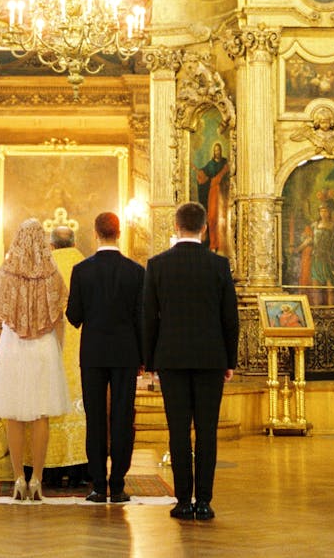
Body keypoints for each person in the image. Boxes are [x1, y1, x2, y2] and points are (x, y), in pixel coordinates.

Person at [143, 201, 238, 522]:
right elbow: (230, 319)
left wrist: (150, 360)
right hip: (212, 358)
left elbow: (148, 319)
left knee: (179, 431)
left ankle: (183, 500)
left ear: (176, 225)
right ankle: (205, 502)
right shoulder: (219, 266)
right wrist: (230, 360)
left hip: (171, 358)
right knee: (207, 431)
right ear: (204, 228)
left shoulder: (157, 265)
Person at [0, 218, 69, 503]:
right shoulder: (53, 275)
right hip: (44, 346)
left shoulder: (5, 274)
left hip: (13, 345)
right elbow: (59, 314)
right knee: (41, 413)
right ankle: (37, 480)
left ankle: (19, 477)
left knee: (14, 412)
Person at [66, 211, 145, 504]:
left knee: (96, 418)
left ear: (95, 233)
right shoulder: (136, 272)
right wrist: (143, 357)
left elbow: (74, 315)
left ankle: (99, 485)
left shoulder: (82, 270)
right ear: (119, 233)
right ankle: (119, 485)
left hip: (94, 353)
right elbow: (142, 318)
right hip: (126, 352)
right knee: (123, 418)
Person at [38, 224, 88, 489]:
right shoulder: (85, 263)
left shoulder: (43, 266)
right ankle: (80, 469)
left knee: (49, 399)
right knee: (79, 402)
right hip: (81, 344)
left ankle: (49, 471)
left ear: (52, 244)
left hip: (49, 342)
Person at [195, 141, 229, 253]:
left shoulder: (225, 163)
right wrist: (199, 173)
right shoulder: (210, 164)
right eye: (215, 150)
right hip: (213, 192)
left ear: (221, 151)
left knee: (224, 217)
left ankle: (224, 244)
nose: (217, 152)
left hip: (224, 192)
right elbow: (203, 175)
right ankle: (214, 244)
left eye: (218, 150)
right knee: (213, 217)